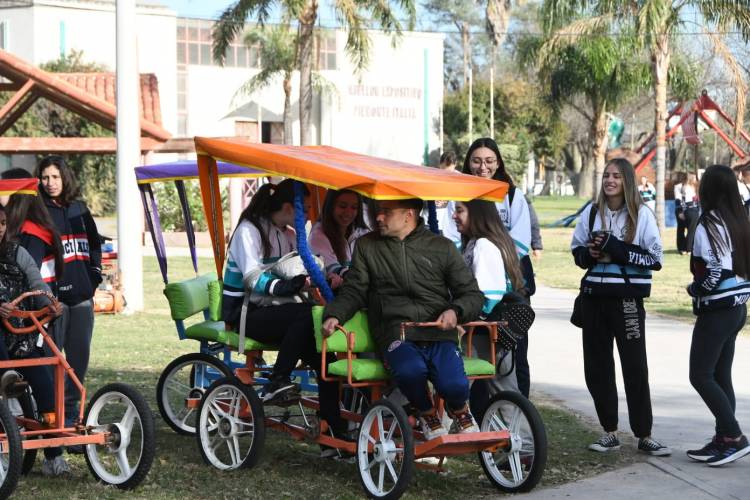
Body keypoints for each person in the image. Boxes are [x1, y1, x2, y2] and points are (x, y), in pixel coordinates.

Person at [321, 198, 484, 440]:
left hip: (437, 332)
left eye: (386, 212)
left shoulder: (442, 247)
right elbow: (354, 290)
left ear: (409, 215)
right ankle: (426, 413)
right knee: (411, 371)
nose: (378, 217)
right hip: (395, 332)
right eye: (378, 211)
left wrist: (456, 311)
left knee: (454, 386)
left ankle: (460, 409)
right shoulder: (367, 246)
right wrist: (335, 314)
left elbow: (472, 294)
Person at [221, 179, 346, 435]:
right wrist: (288, 286)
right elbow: (252, 279)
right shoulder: (249, 231)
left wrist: (320, 278)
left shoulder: (288, 235)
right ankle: (277, 380)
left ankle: (333, 430)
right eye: (306, 209)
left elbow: (298, 271)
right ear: (290, 208)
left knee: (326, 360)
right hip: (247, 313)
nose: (309, 215)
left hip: (280, 312)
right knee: (306, 315)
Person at [571, 158, 670, 456]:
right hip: (593, 300)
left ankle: (645, 434)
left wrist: (616, 248)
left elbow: (655, 259)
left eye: (616, 176)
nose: (610, 180)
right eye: (606, 175)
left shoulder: (642, 214)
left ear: (627, 180)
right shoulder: (591, 212)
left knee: (635, 367)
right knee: (597, 368)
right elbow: (577, 252)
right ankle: (609, 432)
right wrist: (589, 253)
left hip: (627, 301)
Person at [444, 138, 534, 398]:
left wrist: (495, 262)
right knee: (496, 378)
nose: (483, 167)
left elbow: (520, 242)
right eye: (476, 161)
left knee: (502, 366)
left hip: (491, 308)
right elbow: (451, 237)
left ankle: (514, 416)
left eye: (489, 160)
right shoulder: (460, 196)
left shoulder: (511, 196)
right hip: (482, 300)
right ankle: (501, 418)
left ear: (498, 162)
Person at [685, 165, 750, 466]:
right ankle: (724, 439)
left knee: (700, 375)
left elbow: (715, 271)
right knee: (721, 375)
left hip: (718, 309)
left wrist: (695, 289)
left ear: (708, 189)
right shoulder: (738, 219)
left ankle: (734, 437)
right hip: (737, 307)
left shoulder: (709, 221)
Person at [34, 156, 101, 429]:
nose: (50, 183)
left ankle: (71, 416)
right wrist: (45, 295)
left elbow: (94, 244)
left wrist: (94, 275)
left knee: (78, 363)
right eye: (45, 178)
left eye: (55, 177)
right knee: (52, 362)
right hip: (54, 302)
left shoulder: (80, 209)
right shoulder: (38, 212)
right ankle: (51, 415)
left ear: (65, 178)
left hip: (82, 299)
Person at [0, 202, 67, 475]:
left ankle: (54, 457)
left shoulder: (18, 253)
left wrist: (51, 305)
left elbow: (38, 285)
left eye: (2, 223)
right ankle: (5, 377)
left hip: (21, 339)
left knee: (47, 390)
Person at [453, 199, 525, 415]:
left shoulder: (483, 245)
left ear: (477, 214)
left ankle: (445, 432)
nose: (454, 216)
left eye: (459, 210)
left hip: (479, 334)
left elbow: (489, 295)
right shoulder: (492, 242)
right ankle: (521, 437)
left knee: (455, 391)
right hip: (494, 333)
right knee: (507, 395)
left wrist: (463, 320)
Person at [2, 168, 64, 296]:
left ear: (17, 194)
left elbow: (29, 280)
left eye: (3, 187)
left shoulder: (32, 233)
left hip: (34, 303)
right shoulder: (17, 226)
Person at [308, 189, 369, 289]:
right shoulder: (318, 235)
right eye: (342, 206)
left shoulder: (363, 233)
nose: (348, 213)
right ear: (330, 206)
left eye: (354, 207)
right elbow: (332, 268)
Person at [675, 172, 700, 255]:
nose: (696, 179)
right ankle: (683, 248)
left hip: (691, 209)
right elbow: (679, 200)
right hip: (683, 210)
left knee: (691, 229)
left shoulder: (694, 187)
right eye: (694, 178)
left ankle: (686, 248)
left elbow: (696, 200)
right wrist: (681, 212)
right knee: (682, 229)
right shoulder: (680, 187)